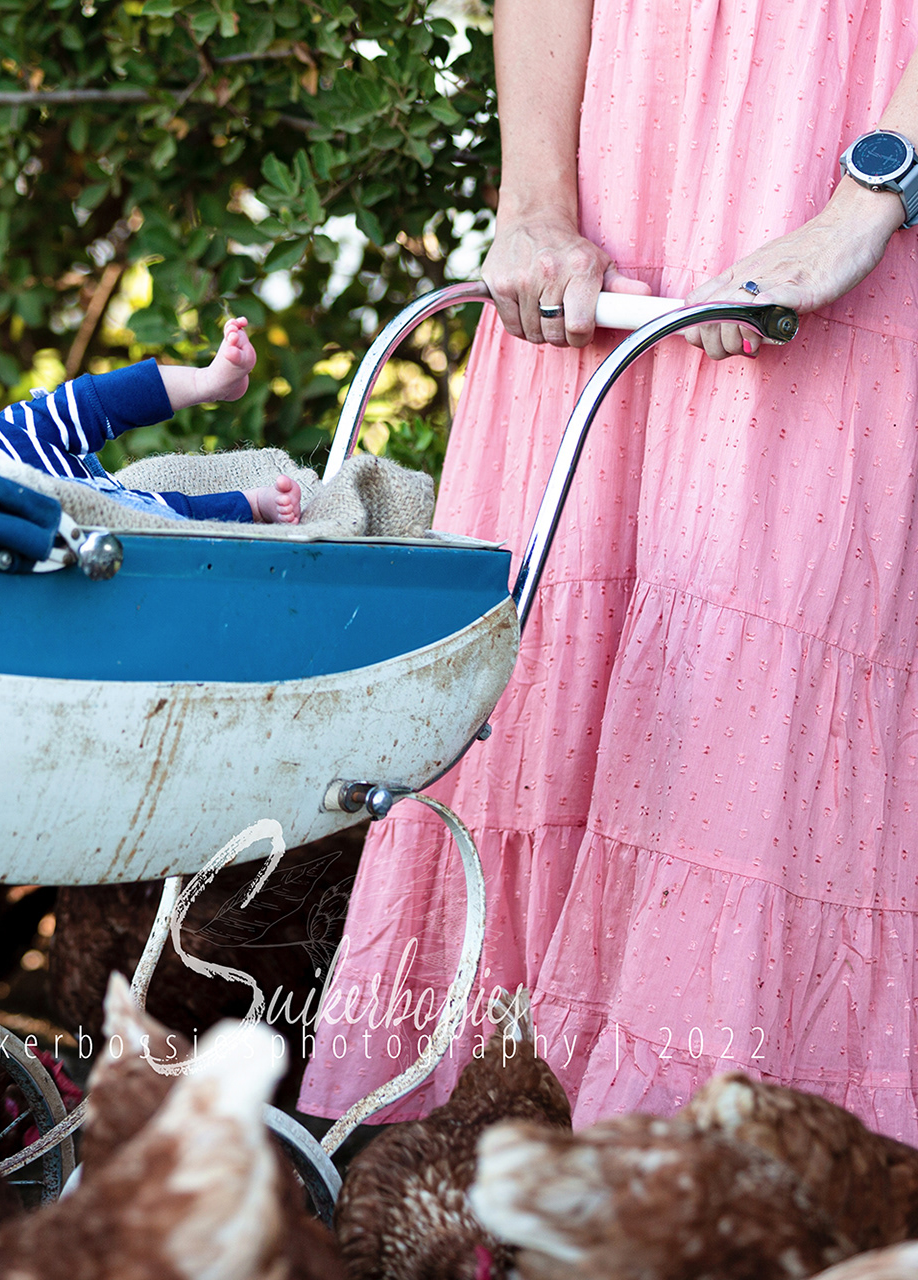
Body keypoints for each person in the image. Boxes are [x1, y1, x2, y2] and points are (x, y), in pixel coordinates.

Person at [298, 0, 918, 1142]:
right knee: (539, 679)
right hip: (622, 177)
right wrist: (533, 203)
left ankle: (722, 1184)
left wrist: (867, 200)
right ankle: (486, 1187)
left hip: (851, 158)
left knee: (760, 701)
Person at [0, 317, 302, 524]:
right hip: (44, 503)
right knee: (148, 513)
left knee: (85, 401)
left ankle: (207, 380)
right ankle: (253, 504)